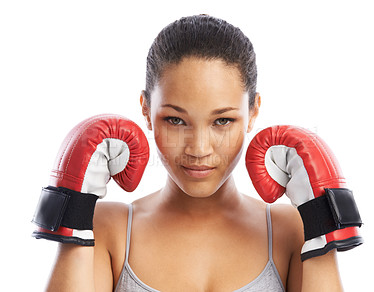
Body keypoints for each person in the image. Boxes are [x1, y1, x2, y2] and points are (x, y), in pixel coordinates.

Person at [43, 15, 348, 291]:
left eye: (223, 121)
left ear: (253, 111)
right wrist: (75, 212)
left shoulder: (291, 230)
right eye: (175, 120)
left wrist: (320, 221)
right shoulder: (109, 230)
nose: (199, 149)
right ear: (146, 110)